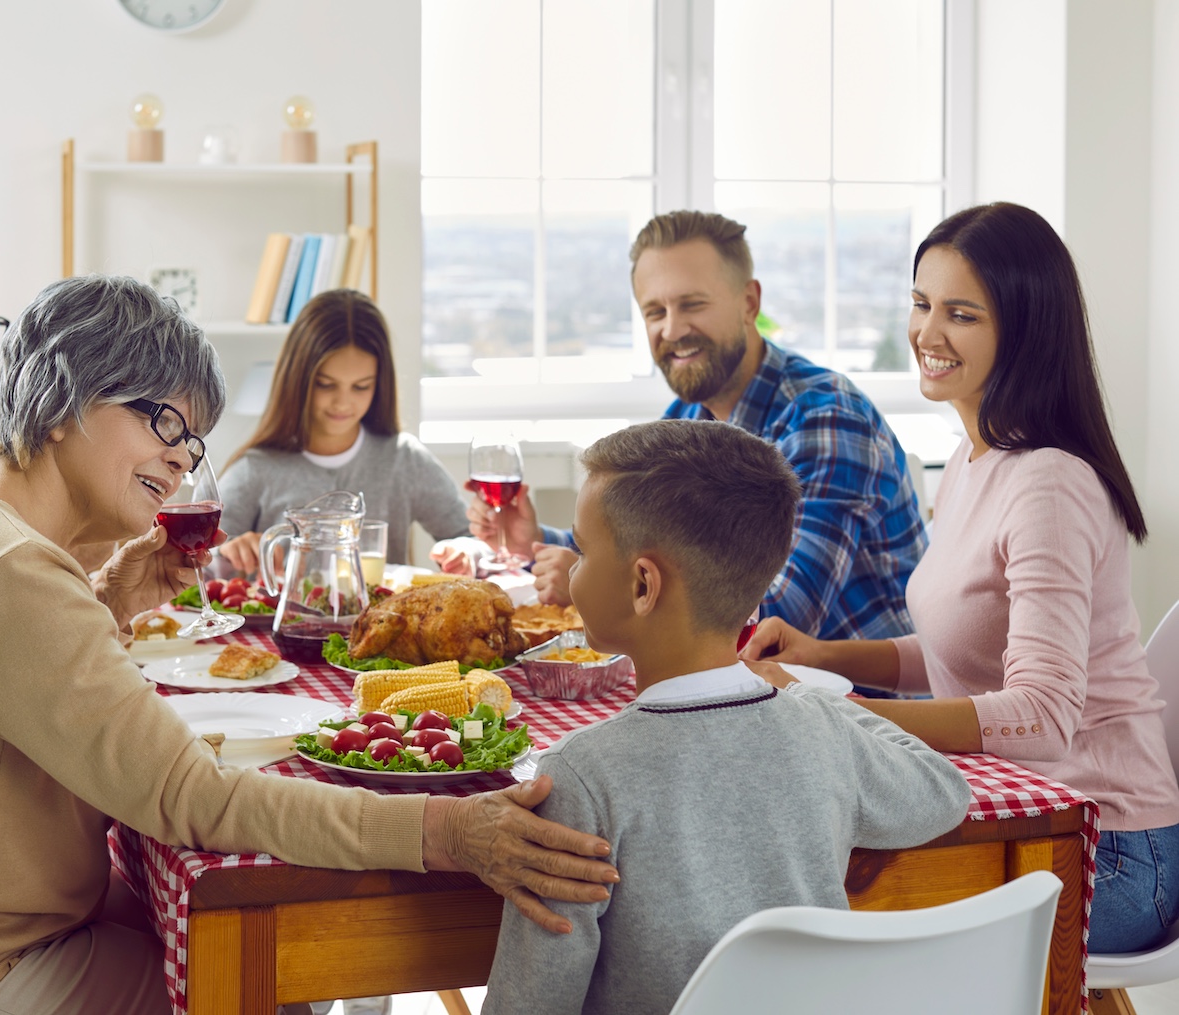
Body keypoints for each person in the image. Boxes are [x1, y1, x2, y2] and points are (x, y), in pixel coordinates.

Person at [0, 275, 618, 1015]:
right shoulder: (7, 573)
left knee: (232, 933)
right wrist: (450, 830)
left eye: (194, 439)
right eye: (166, 422)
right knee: (276, 966)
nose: (182, 459)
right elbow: (199, 801)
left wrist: (106, 604)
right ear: (70, 395)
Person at [741, 201, 1179, 954]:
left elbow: (1040, 714)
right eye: (921, 303)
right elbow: (958, 646)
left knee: (816, 907)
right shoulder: (975, 464)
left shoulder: (1050, 485)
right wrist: (823, 657)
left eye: (961, 314)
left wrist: (841, 717)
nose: (927, 334)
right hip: (1023, 811)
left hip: (1105, 848)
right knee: (795, 878)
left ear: (1024, 329)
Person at [482, 419, 969, 1014]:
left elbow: (529, 1005)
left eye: (582, 551)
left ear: (643, 584)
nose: (573, 570)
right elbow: (943, 791)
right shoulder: (824, 730)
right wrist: (817, 703)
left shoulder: (578, 776)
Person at [454, 211, 926, 642]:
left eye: (692, 304)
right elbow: (636, 547)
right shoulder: (686, 418)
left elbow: (780, 617)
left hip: (865, 708)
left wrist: (593, 581)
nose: (673, 329)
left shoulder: (825, 418)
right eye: (655, 312)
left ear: (749, 302)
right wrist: (538, 542)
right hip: (757, 694)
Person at [217, 289, 469, 573]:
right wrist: (229, 549)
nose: (343, 403)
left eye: (361, 386)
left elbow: (467, 537)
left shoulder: (403, 459)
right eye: (326, 384)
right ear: (298, 379)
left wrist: (464, 553)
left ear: (379, 383)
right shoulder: (254, 469)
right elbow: (198, 558)